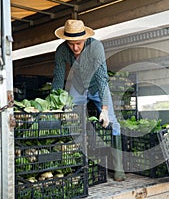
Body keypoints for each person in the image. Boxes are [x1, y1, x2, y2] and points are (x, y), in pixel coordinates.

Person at [51, 19, 126, 181]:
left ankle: (119, 168)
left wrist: (104, 109)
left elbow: (101, 77)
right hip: (78, 86)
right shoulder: (61, 50)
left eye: (78, 43)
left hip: (97, 87)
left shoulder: (95, 47)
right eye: (71, 44)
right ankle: (75, 162)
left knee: (113, 122)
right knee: (69, 116)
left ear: (85, 38)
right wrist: (55, 103)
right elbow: (58, 78)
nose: (75, 48)